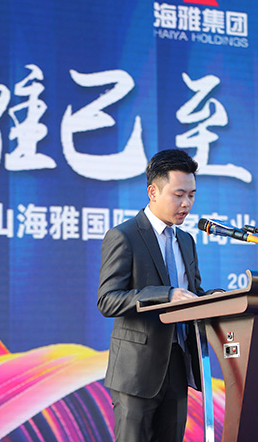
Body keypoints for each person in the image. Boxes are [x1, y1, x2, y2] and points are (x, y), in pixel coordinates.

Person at [97, 148, 215, 442]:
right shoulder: (124, 236)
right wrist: (165, 295)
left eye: (192, 195)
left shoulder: (186, 241)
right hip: (136, 371)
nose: (186, 204)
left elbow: (192, 294)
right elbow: (108, 299)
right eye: (179, 195)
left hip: (178, 365)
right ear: (153, 191)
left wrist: (217, 299)